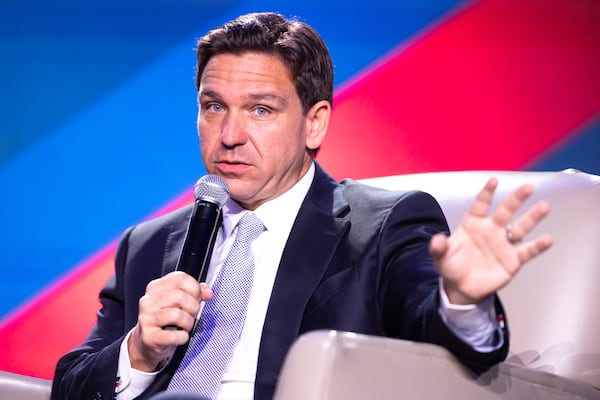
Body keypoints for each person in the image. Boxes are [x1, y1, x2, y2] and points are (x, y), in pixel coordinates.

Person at [51, 12, 553, 400]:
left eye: (261, 109)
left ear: (315, 123)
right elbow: (70, 385)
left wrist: (463, 300)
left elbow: (436, 340)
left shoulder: (381, 226)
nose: (229, 136)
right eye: (213, 106)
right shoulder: (150, 243)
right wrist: (139, 351)